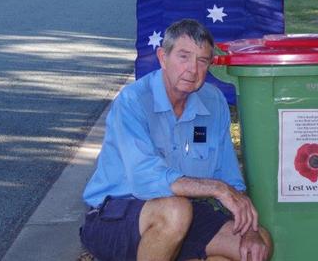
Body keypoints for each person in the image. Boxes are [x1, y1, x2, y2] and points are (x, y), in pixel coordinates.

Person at [80, 19, 272, 261]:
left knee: (258, 244)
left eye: (202, 60)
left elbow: (230, 178)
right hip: (117, 216)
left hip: (186, 213)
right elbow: (145, 178)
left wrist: (249, 228)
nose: (192, 69)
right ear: (162, 57)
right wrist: (215, 188)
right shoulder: (133, 101)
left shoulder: (213, 102)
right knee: (175, 211)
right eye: (184, 56)